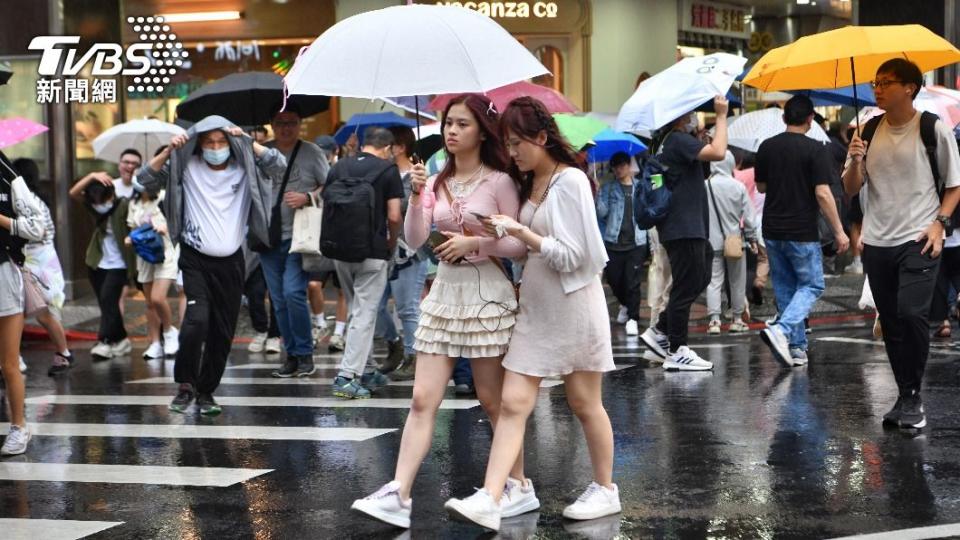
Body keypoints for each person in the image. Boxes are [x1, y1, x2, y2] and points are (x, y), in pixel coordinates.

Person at [351, 95, 531, 528]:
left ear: (480, 133)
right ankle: (399, 493)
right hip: (444, 293)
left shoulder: (500, 181)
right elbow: (414, 240)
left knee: (492, 401)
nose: (451, 131)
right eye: (448, 123)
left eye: (462, 124)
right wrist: (415, 196)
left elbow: (521, 244)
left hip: (487, 293)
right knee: (421, 398)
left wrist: (477, 243)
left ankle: (519, 486)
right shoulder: (432, 180)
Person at [443, 96, 617, 532]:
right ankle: (493, 494)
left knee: (584, 403)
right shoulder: (529, 183)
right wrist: (495, 235)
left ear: (543, 138)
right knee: (513, 402)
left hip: (574, 305)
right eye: (508, 143)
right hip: (536, 306)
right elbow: (528, 249)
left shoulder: (571, 180)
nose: (513, 151)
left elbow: (584, 257)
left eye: (519, 143)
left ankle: (605, 488)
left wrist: (524, 233)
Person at [138, 115, 286, 416]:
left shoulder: (245, 169)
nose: (216, 148)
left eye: (221, 142)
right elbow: (145, 179)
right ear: (199, 145)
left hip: (232, 263)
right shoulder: (186, 167)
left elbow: (278, 166)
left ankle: (206, 392)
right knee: (196, 321)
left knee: (222, 331)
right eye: (209, 143)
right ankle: (185, 385)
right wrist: (170, 151)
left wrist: (249, 143)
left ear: (230, 144)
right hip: (195, 258)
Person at [843, 59, 960, 429]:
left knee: (912, 314)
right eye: (875, 82)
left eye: (886, 82)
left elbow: (955, 186)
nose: (877, 88)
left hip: (918, 238)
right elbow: (850, 188)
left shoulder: (931, 128)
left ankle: (913, 397)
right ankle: (905, 393)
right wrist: (855, 161)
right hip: (877, 242)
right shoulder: (869, 131)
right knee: (891, 321)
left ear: (910, 88)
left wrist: (940, 224)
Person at [756, 95, 849, 368]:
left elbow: (761, 187)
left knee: (786, 288)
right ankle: (781, 330)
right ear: (810, 119)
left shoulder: (766, 147)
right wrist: (839, 231)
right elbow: (822, 193)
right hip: (801, 230)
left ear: (785, 118)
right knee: (812, 284)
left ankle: (796, 348)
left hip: (772, 228)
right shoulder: (816, 149)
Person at [640, 96, 729, 371]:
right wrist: (722, 115)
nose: (693, 115)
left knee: (698, 278)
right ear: (679, 115)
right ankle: (677, 349)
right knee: (685, 285)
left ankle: (661, 331)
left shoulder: (672, 141)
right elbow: (719, 153)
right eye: (689, 112)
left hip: (687, 225)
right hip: (684, 226)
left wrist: (701, 138)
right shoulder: (676, 139)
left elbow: (701, 172)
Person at [325, 127, 403, 398]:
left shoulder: (339, 167)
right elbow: (394, 216)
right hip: (372, 251)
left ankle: (367, 368)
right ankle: (347, 376)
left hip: (339, 250)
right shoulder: (388, 170)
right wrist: (392, 242)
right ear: (388, 147)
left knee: (358, 310)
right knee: (364, 314)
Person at [262, 107, 329, 378]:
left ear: (300, 124)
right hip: (267, 238)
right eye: (280, 123)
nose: (286, 127)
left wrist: (308, 197)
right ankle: (290, 354)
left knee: (293, 293)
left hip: (299, 238)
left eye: (291, 123)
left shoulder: (312, 152)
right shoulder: (262, 153)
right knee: (277, 300)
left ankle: (304, 353)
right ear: (271, 125)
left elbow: (330, 184)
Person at [0, 150, 46, 454]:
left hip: (3, 272)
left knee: (9, 362)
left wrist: (2, 221)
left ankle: (19, 427)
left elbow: (37, 227)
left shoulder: (8, 176)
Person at [374, 125, 429, 376]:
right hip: (381, 248)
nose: (385, 148)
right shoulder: (382, 172)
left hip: (409, 249)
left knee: (407, 307)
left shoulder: (416, 174)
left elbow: (414, 207)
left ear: (400, 147)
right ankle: (394, 344)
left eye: (389, 144)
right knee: (374, 304)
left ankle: (413, 356)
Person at [12, 158, 72, 375]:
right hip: (43, 262)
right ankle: (63, 353)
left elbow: (38, 232)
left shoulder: (27, 201)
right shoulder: (35, 198)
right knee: (40, 312)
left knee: (28, 311)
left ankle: (14, 358)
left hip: (35, 263)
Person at [69, 171, 136, 361]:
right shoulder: (93, 206)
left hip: (120, 264)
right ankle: (122, 339)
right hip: (97, 262)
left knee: (108, 299)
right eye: (95, 200)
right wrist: (91, 176)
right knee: (106, 304)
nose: (99, 204)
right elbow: (73, 193)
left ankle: (105, 341)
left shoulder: (123, 205)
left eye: (102, 199)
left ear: (111, 195)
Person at [125, 181, 180, 360]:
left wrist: (166, 228)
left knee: (158, 298)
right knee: (149, 303)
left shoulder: (164, 197)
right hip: (145, 255)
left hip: (165, 253)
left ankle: (169, 332)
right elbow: (133, 228)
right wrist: (130, 237)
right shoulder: (134, 204)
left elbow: (179, 222)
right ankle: (155, 343)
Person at [706, 151, 758, 335]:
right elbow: (750, 217)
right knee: (737, 281)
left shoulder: (705, 186)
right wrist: (752, 238)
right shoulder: (738, 186)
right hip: (734, 241)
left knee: (713, 281)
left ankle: (714, 320)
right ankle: (736, 319)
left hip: (711, 242)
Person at [596, 151, 647, 336]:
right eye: (615, 166)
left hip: (637, 242)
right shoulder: (608, 188)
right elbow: (601, 214)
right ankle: (625, 305)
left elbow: (646, 209)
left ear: (628, 166)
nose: (618, 169)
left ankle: (633, 318)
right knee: (614, 280)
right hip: (613, 241)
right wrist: (598, 193)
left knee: (633, 282)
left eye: (622, 165)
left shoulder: (640, 186)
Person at [243, 244, 282, 355]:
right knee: (255, 293)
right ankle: (261, 330)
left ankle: (274, 335)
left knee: (276, 296)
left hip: (278, 252)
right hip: (257, 255)